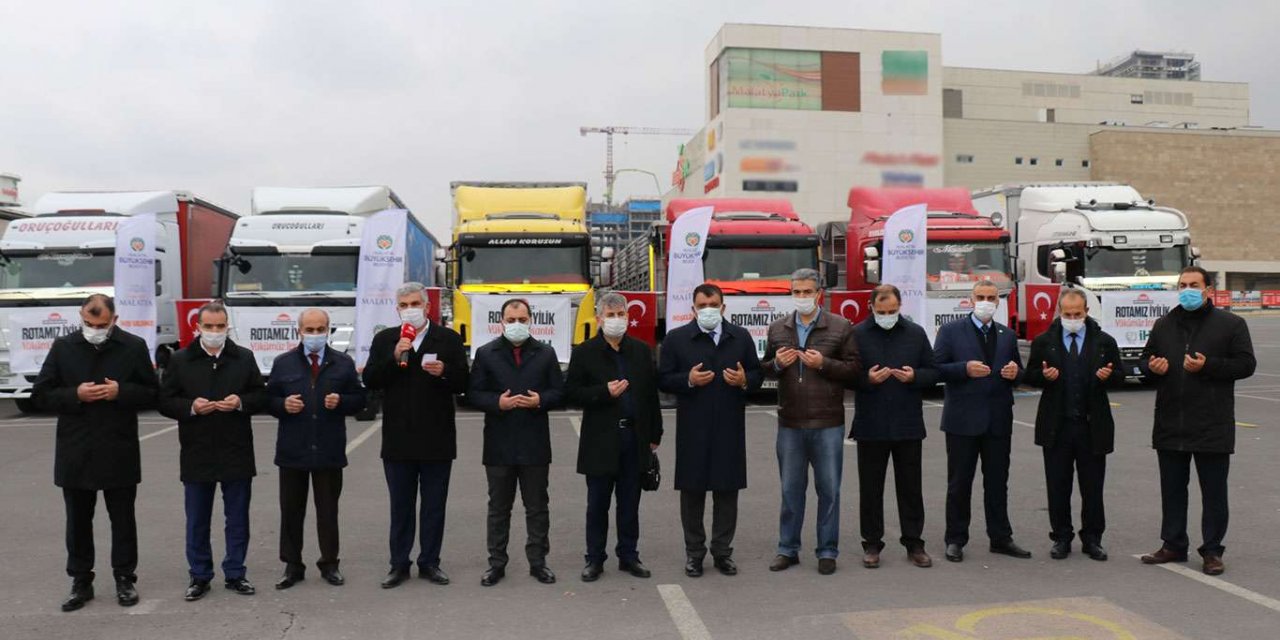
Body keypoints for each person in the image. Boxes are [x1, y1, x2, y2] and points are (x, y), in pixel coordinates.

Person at [33, 294, 159, 612]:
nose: (95, 330)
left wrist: (121, 392)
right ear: (81, 316)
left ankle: (124, 578)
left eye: (101, 325)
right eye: (89, 323)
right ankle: (80, 581)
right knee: (77, 520)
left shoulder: (132, 346)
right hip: (76, 449)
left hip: (118, 447)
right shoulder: (63, 347)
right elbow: (41, 395)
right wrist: (75, 394)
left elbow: (153, 393)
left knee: (123, 519)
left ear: (114, 320)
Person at [1139, 266, 1255, 576]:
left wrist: (1209, 366)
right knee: (1173, 490)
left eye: (1193, 285)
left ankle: (1212, 550)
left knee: (1214, 492)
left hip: (1212, 423)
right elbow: (1145, 360)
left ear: (1207, 290)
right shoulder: (1164, 324)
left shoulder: (1231, 324)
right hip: (1171, 422)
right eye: (1182, 285)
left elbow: (1246, 364)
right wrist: (1152, 367)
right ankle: (1173, 544)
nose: (1187, 290)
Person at [363, 282, 469, 588]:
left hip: (437, 438)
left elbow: (465, 382)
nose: (410, 309)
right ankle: (399, 564)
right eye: (404, 305)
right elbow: (370, 379)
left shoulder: (447, 339)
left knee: (434, 506)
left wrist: (444, 371)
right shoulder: (386, 339)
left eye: (415, 304)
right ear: (397, 309)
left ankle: (430, 562)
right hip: (398, 439)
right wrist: (394, 356)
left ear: (427, 307)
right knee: (401, 506)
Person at [159, 301, 267, 601]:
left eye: (220, 327)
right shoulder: (181, 360)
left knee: (238, 518)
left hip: (236, 449)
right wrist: (190, 407)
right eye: (209, 327)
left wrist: (241, 402)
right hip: (197, 449)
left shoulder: (243, 357)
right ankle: (199, 575)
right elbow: (165, 400)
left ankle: (236, 573)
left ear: (227, 326)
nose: (215, 332)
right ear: (198, 327)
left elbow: (260, 395)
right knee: (197, 518)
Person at [658, 283, 763, 578]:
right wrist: (688, 380)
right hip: (693, 428)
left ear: (723, 307)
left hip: (729, 426)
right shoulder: (677, 339)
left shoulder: (740, 337)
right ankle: (694, 553)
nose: (708, 310)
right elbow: (663, 379)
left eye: (713, 305)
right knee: (692, 492)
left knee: (727, 491)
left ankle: (722, 552)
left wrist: (744, 380)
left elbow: (757, 373)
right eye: (702, 306)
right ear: (693, 309)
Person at [761, 269, 860, 575]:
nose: (802, 297)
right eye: (797, 292)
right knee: (791, 491)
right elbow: (764, 368)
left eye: (807, 292)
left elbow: (854, 370)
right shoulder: (778, 328)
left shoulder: (840, 326)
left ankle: (827, 551)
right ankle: (787, 549)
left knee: (829, 491)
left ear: (819, 293)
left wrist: (823, 363)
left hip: (828, 422)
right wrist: (777, 364)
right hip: (790, 422)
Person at [266, 308, 368, 590]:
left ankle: (330, 563)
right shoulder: (284, 363)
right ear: (299, 331)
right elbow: (268, 399)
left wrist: (342, 401)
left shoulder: (343, 363)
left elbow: (360, 399)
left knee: (328, 511)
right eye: (309, 330)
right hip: (292, 450)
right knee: (291, 511)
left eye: (320, 329)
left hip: (328, 450)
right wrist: (282, 405)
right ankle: (292, 565)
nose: (315, 335)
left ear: (328, 330)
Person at [565, 292, 663, 582]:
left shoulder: (641, 351)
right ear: (599, 319)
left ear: (628, 318)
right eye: (610, 315)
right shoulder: (585, 352)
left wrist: (655, 434)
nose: (616, 320)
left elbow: (651, 395)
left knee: (630, 502)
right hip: (600, 440)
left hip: (635, 438)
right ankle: (594, 558)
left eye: (621, 315)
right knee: (598, 504)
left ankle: (629, 555)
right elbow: (571, 393)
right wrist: (603, 392)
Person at [469, 298, 565, 587]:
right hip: (499, 444)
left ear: (530, 321)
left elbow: (560, 392)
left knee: (537, 507)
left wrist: (540, 400)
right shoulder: (486, 353)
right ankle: (496, 564)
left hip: (535, 443)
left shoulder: (545, 353)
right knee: (499, 508)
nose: (517, 325)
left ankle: (538, 562)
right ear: (501, 322)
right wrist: (496, 402)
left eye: (522, 320)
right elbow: (473, 394)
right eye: (511, 320)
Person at [1023, 288, 1125, 561]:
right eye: (1067, 314)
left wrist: (1108, 376)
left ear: (1086, 312)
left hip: (1092, 426)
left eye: (1077, 314)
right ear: (1059, 312)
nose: (1072, 319)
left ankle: (1093, 538)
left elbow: (1120, 375)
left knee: (1093, 488)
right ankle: (1061, 537)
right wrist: (1044, 376)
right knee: (1058, 486)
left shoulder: (1104, 341)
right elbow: (1029, 375)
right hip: (1057, 426)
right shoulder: (1044, 341)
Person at [934, 279, 1031, 562]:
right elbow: (935, 368)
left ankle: (1000, 537)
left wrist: (1016, 374)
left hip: (998, 419)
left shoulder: (1007, 335)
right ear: (971, 299)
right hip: (962, 420)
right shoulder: (951, 331)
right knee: (959, 483)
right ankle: (955, 539)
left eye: (991, 297)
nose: (986, 302)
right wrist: (963, 369)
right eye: (981, 297)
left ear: (998, 301)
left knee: (998, 482)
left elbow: (1018, 370)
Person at [850, 284, 938, 569]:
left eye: (892, 311)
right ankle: (871, 543)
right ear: (871, 307)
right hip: (871, 423)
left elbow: (933, 371)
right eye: (881, 311)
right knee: (870, 488)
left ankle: (914, 543)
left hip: (907, 422)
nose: (887, 316)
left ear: (900, 307)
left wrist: (915, 377)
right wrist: (867, 379)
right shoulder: (857, 334)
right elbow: (847, 374)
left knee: (911, 487)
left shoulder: (915, 333)